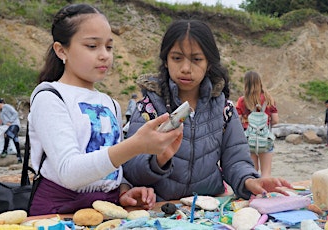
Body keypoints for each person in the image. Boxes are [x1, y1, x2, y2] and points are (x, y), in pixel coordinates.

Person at [28, 3, 183, 215]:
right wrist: (136, 145)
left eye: (109, 47)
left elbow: (109, 166)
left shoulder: (109, 102)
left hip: (108, 209)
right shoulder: (50, 97)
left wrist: (123, 190)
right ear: (61, 50)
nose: (104, 55)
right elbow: (69, 172)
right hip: (59, 211)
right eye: (92, 46)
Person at [123, 19, 292, 201]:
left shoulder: (224, 110)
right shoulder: (148, 108)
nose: (186, 68)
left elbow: (236, 160)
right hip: (161, 207)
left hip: (211, 205)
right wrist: (158, 161)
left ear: (209, 63)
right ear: (166, 61)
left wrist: (249, 181)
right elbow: (130, 168)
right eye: (177, 58)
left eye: (196, 59)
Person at [236, 71, 278, 177]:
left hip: (249, 139)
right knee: (266, 172)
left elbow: (237, 120)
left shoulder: (242, 101)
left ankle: (254, 193)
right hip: (265, 138)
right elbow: (275, 120)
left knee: (252, 171)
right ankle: (264, 193)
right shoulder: (269, 99)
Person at [0, 98, 22, 163]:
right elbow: (3, 122)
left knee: (7, 135)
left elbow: (15, 113)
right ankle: (19, 157)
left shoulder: (6, 106)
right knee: (15, 141)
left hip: (14, 124)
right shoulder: (1, 112)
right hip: (9, 126)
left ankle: (5, 151)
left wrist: (10, 121)